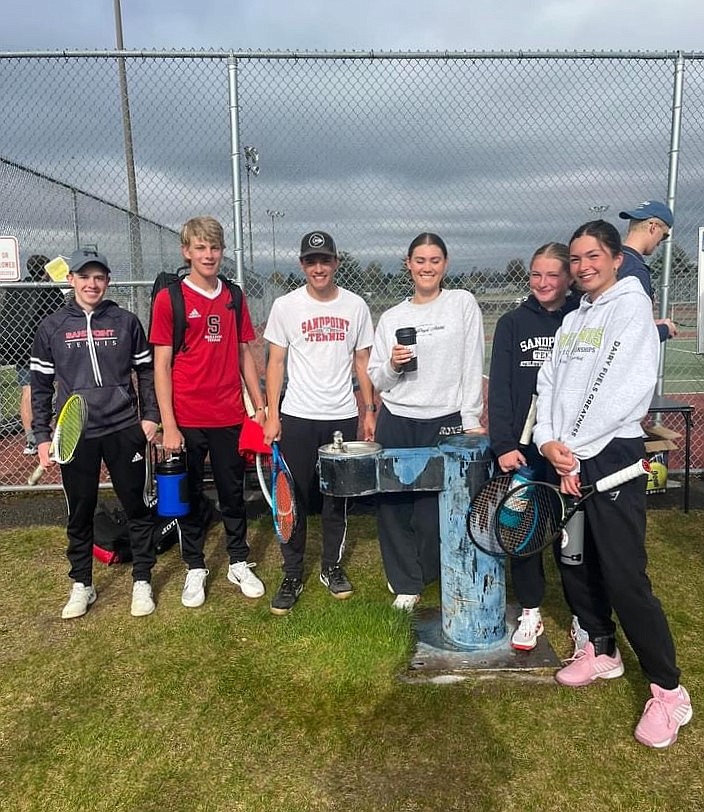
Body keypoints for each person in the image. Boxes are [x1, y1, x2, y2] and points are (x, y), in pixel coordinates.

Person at [534, 219, 691, 749]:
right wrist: (550, 443)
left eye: (592, 256)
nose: (583, 266)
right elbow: (550, 380)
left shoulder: (630, 309)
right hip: (568, 459)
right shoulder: (577, 316)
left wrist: (574, 452)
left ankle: (669, 692)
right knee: (574, 559)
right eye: (576, 259)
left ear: (616, 257)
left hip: (609, 459)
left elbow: (621, 389)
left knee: (625, 576)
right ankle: (601, 650)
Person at [30, 248, 161, 619]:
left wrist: (149, 417)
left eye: (99, 277)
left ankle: (142, 579)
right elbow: (40, 386)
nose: (92, 284)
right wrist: (42, 436)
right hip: (77, 436)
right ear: (71, 280)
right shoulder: (52, 327)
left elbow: (147, 374)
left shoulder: (126, 322)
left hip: (124, 429)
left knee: (136, 505)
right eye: (84, 277)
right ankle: (82, 584)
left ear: (107, 281)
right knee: (80, 510)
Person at [150, 216, 266, 609]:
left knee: (233, 494)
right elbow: (161, 366)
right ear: (187, 252)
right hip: (186, 420)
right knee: (189, 496)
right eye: (200, 248)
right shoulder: (170, 299)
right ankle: (195, 567)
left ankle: (238, 560)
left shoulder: (234, 295)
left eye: (214, 248)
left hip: (229, 416)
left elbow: (245, 354)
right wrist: (169, 423)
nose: (209, 255)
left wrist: (261, 406)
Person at [368, 232, 485, 611]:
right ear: (409, 264)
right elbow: (377, 378)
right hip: (399, 418)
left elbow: (472, 362)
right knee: (395, 504)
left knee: (436, 508)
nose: (427, 267)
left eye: (435, 260)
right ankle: (405, 580)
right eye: (420, 260)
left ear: (445, 264)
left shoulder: (461, 304)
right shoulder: (392, 317)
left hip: (445, 419)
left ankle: (431, 569)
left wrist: (470, 417)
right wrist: (393, 364)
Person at [262, 230, 376, 615]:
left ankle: (331, 567)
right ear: (302, 266)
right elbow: (275, 362)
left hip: (341, 416)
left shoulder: (356, 306)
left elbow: (362, 363)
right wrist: (272, 414)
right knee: (290, 497)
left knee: (335, 499)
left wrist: (369, 410)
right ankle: (292, 572)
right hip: (296, 415)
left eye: (325, 260)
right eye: (311, 262)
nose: (319, 268)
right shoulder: (285, 306)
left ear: (336, 263)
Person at [488, 242, 580, 650]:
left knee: (573, 538)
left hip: (568, 450)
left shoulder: (581, 319)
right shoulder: (512, 323)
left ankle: (583, 616)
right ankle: (530, 611)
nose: (543, 282)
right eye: (536, 274)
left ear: (569, 278)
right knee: (522, 531)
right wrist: (505, 444)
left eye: (552, 274)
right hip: (523, 451)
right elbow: (502, 390)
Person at [0, 254, 65, 454]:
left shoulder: (18, 289)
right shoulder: (51, 291)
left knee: (28, 391)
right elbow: (61, 317)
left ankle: (31, 440)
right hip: (46, 347)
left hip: (21, 348)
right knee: (62, 387)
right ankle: (58, 435)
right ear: (46, 270)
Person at [618, 199, 677, 342]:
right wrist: (665, 330)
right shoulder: (635, 269)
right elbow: (632, 337)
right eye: (663, 235)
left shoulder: (611, 259)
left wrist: (649, 325)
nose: (659, 242)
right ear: (653, 227)